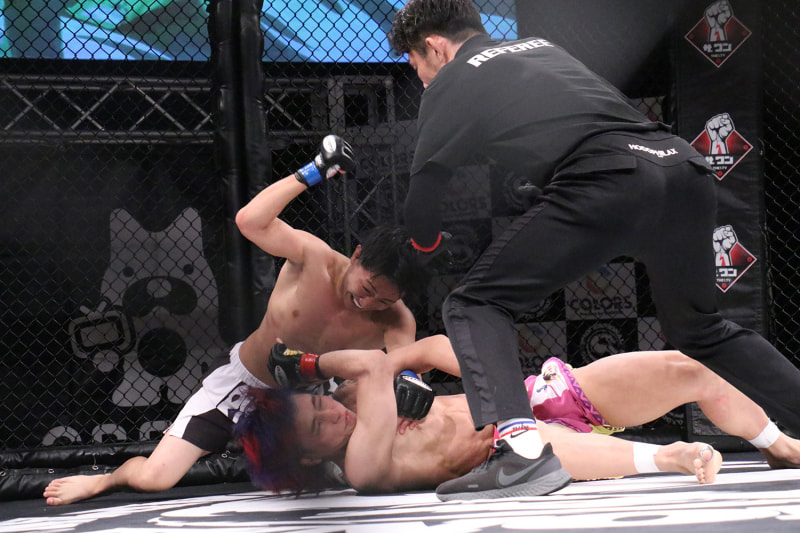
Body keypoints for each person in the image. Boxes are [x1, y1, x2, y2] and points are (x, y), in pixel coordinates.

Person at [386, 0, 800, 500]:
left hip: (609, 181)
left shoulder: (452, 78)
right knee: (701, 328)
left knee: (473, 303)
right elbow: (580, 124)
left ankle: (520, 456)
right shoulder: (541, 48)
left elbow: (422, 199)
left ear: (434, 46)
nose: (419, 77)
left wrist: (427, 246)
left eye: (415, 62)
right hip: (682, 169)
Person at [43, 135, 429, 506]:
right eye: (367, 288)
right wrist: (315, 170)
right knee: (154, 478)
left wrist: (412, 383)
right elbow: (250, 221)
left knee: (382, 412)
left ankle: (340, 463)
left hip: (312, 401)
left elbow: (406, 372)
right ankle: (105, 479)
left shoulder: (396, 320)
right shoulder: (315, 258)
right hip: (245, 387)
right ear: (357, 256)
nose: (367, 302)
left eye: (383, 300)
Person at [235, 335, 800, 498]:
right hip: (515, 451)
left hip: (533, 399)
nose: (331, 412)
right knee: (531, 443)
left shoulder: (355, 398)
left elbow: (435, 349)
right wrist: (310, 363)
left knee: (687, 368)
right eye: (318, 426)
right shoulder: (362, 465)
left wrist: (412, 374)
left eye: (318, 401)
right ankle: (669, 458)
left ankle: (777, 443)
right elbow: (371, 363)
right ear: (308, 458)